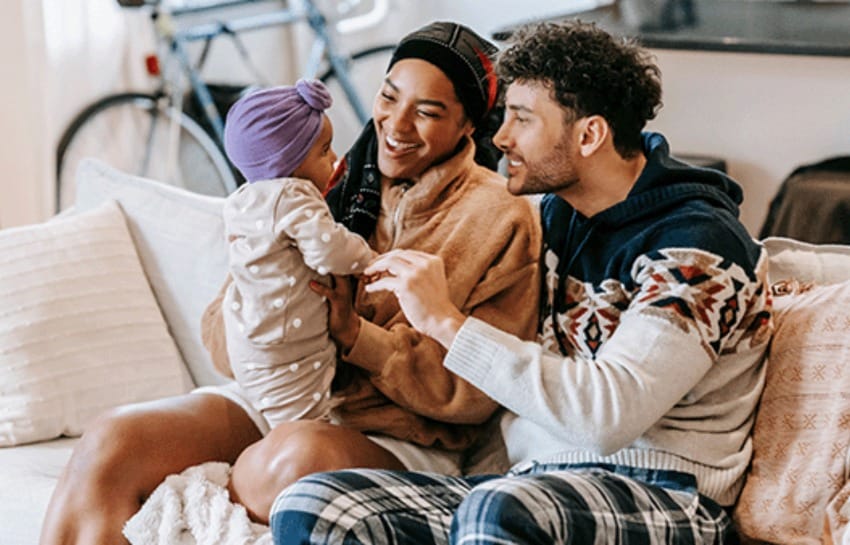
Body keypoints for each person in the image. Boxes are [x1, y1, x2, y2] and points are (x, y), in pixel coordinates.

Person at [269, 20, 773, 544]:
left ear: (590, 134)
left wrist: (446, 322)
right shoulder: (556, 217)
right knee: (316, 505)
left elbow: (608, 415)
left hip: (665, 492)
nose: (501, 136)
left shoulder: (697, 247)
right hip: (533, 484)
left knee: (499, 509)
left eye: (522, 120)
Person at [39, 21, 541, 545]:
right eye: (389, 96)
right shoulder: (318, 178)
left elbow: (479, 388)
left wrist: (356, 337)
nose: (397, 124)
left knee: (287, 461)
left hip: (396, 433)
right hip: (281, 396)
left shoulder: (500, 218)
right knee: (111, 441)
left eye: (428, 112)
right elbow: (220, 341)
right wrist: (260, 296)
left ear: (468, 125)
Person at [220, 79, 376, 428]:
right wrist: (370, 258)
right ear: (285, 160)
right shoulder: (293, 194)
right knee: (304, 425)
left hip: (250, 342)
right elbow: (328, 250)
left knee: (280, 422)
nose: (335, 158)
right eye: (324, 151)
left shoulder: (241, 200)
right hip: (290, 344)